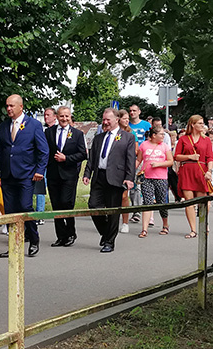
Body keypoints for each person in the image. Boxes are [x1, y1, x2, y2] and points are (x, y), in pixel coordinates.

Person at [0, 94, 48, 258]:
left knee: (25, 207)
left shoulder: (34, 125)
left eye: (12, 106)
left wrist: (39, 170)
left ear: (21, 107)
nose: (8, 109)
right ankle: (14, 244)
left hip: (26, 174)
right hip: (8, 175)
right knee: (10, 211)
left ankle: (34, 238)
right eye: (7, 106)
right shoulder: (3, 126)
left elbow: (43, 151)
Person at [82, 108, 136, 252]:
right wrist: (87, 174)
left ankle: (109, 242)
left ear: (116, 119)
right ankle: (106, 232)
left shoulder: (127, 137)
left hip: (116, 178)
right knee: (93, 206)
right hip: (99, 177)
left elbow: (131, 160)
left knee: (113, 211)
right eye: (103, 119)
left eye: (108, 120)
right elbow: (92, 158)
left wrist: (129, 178)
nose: (105, 122)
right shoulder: (99, 137)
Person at [45, 106, 87, 247]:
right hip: (53, 174)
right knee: (56, 205)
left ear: (70, 117)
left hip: (69, 174)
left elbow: (83, 154)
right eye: (61, 116)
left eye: (67, 116)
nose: (64, 119)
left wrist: (66, 158)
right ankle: (61, 236)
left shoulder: (77, 134)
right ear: (57, 117)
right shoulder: (48, 132)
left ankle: (71, 233)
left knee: (66, 203)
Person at [174, 115, 213, 238]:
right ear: (192, 124)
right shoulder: (184, 139)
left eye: (203, 123)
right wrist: (189, 157)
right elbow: (176, 156)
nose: (203, 126)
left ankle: (204, 223)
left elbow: (210, 158)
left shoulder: (206, 140)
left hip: (201, 171)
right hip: (186, 171)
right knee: (189, 202)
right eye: (200, 123)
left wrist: (209, 171)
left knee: (202, 201)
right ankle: (193, 229)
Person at [136, 128, 173, 237]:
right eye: (161, 134)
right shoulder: (144, 145)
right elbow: (139, 159)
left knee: (161, 202)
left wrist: (159, 164)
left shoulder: (165, 146)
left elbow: (170, 161)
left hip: (161, 178)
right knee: (147, 202)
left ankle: (165, 224)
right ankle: (144, 229)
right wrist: (132, 170)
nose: (163, 136)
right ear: (153, 135)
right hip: (147, 177)